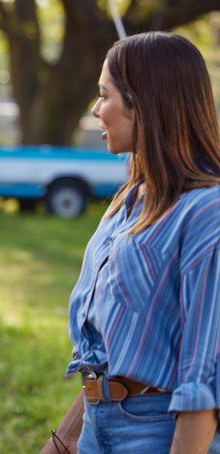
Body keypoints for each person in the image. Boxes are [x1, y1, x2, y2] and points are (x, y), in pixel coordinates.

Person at [51, 32, 220, 453]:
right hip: (96, 424)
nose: (95, 109)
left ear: (143, 102)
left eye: (104, 95)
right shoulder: (127, 201)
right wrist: (61, 442)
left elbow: (204, 373)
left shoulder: (205, 211)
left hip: (160, 433)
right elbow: (101, 352)